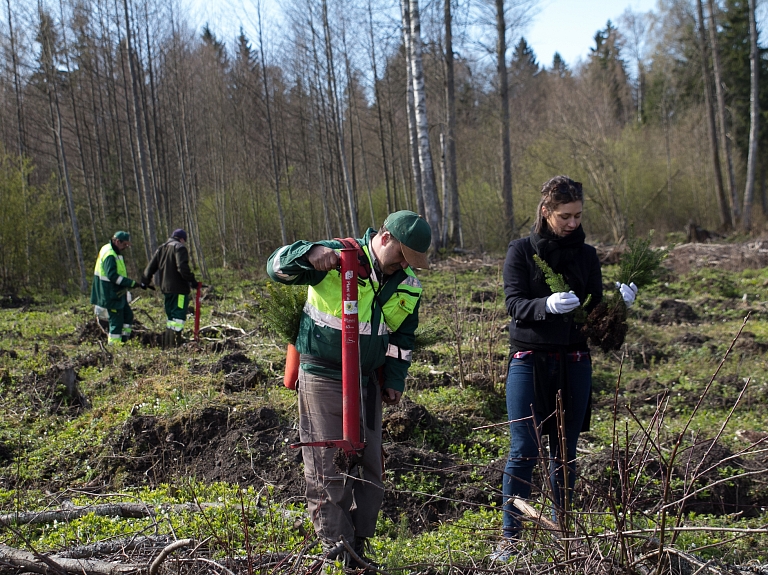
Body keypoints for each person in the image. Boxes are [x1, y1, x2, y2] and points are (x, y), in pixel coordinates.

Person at [266, 211, 431, 568]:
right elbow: (275, 267)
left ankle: (359, 547)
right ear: (385, 238)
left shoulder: (407, 284)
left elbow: (403, 338)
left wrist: (394, 380)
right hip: (323, 373)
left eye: (411, 261)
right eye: (402, 255)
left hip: (368, 380)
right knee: (328, 465)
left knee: (371, 468)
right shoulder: (337, 256)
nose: (404, 264)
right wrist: (307, 253)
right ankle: (336, 551)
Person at [492, 176, 637, 561]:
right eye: (565, 216)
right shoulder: (521, 251)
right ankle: (510, 538)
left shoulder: (586, 256)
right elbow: (513, 303)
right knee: (523, 449)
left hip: (574, 362)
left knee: (565, 452)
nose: (573, 223)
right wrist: (546, 305)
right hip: (529, 361)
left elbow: (595, 319)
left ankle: (565, 535)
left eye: (578, 215)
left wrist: (619, 308)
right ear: (546, 212)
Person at [141, 229, 198, 348]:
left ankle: (169, 343)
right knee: (178, 316)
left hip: (166, 289)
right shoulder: (179, 248)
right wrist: (192, 281)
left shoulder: (161, 248)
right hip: (179, 290)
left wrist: (145, 281)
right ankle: (175, 343)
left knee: (171, 317)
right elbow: (182, 268)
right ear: (182, 239)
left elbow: (150, 267)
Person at [91, 231, 147, 345]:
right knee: (116, 321)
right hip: (110, 294)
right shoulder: (110, 254)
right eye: (124, 244)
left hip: (118, 293)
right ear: (117, 241)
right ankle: (114, 347)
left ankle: (124, 340)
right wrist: (132, 283)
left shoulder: (114, 251)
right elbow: (113, 276)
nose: (125, 247)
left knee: (128, 316)